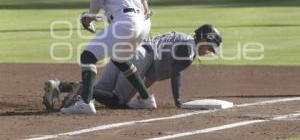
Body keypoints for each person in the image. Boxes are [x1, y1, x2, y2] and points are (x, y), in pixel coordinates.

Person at [59, 0, 154, 115]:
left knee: (88, 56)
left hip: (126, 21)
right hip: (144, 23)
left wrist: (89, 17)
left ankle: (86, 103)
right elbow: (146, 7)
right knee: (120, 59)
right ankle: (146, 99)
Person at [43, 24, 222, 110]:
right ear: (204, 38)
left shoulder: (183, 40)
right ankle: (78, 87)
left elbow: (152, 76)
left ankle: (61, 86)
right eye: (209, 47)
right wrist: (178, 101)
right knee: (117, 101)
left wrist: (141, 94)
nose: (208, 52)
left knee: (99, 91)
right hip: (140, 56)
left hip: (127, 51)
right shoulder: (189, 50)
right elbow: (176, 75)